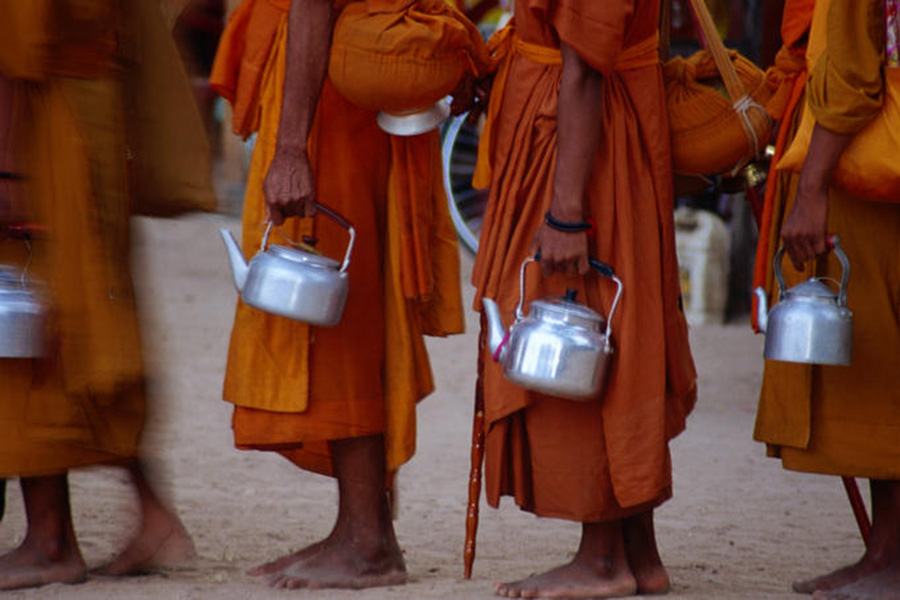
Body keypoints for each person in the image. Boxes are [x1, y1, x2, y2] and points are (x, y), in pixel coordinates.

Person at [210, 0, 474, 589]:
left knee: (329, 310)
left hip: (331, 97)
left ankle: (366, 541)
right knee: (349, 304)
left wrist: (290, 148)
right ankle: (360, 527)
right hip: (366, 82)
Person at [470, 0, 697, 596]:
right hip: (590, 127)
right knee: (615, 329)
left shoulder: (576, 180)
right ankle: (638, 551)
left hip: (588, 148)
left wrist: (566, 211)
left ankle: (599, 558)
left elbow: (587, 65)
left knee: (582, 329)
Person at [0, 0, 205, 590]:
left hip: (42, 132)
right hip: (94, 116)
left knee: (35, 330)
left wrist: (9, 167)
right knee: (90, 323)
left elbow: (17, 43)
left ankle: (49, 540)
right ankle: (152, 515)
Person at [753, 0, 900, 598]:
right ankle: (885, 550)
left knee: (880, 368)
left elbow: (850, 72)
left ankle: (892, 560)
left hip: (871, 172)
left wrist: (810, 189)